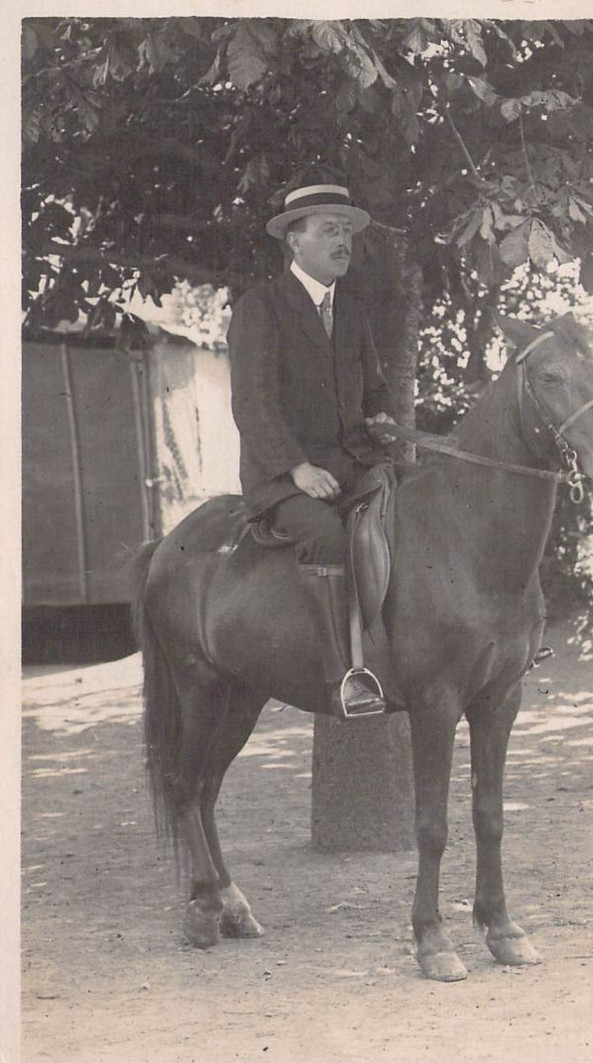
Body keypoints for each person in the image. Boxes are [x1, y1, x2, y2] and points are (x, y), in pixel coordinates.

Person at [227, 176, 397, 717]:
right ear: (295, 240)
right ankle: (346, 676)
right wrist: (295, 468)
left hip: (353, 464)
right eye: (330, 230)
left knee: (412, 510)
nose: (342, 242)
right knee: (325, 535)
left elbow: (373, 391)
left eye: (346, 231)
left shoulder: (351, 311)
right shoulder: (261, 309)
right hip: (284, 479)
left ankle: (413, 652)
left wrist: (382, 418)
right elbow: (252, 403)